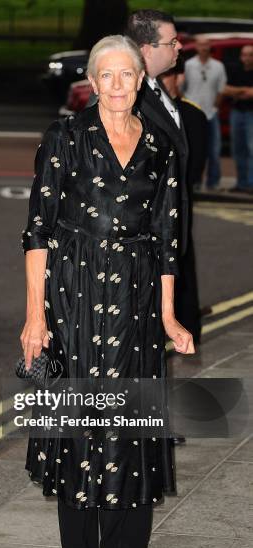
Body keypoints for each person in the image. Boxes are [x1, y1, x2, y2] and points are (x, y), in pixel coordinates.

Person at [20, 35, 194, 548]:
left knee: (131, 414)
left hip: (138, 295)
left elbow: (168, 238)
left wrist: (168, 316)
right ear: (92, 84)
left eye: (128, 75)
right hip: (73, 289)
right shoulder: (64, 138)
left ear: (142, 80)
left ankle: (127, 542)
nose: (118, 86)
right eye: (107, 76)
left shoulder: (160, 147)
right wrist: (34, 316)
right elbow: (37, 234)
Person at [126, 9, 189, 447]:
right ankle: (140, 427)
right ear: (147, 49)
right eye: (172, 41)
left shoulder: (156, 91)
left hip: (164, 236)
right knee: (139, 334)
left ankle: (150, 423)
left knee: (153, 333)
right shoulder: (132, 99)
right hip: (143, 242)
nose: (178, 47)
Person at [160, 56, 208, 344]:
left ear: (178, 78)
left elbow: (194, 166)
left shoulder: (192, 114)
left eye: (167, 77)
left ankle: (188, 324)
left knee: (181, 262)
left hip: (179, 201)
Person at [182, 35, 227, 190]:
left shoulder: (218, 66)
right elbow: (182, 89)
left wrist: (215, 107)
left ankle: (213, 182)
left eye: (207, 44)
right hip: (193, 116)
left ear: (210, 47)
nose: (204, 47)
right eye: (201, 44)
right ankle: (195, 181)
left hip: (211, 113)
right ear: (196, 46)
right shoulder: (188, 65)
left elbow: (221, 90)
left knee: (214, 150)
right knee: (194, 149)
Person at [223, 45, 253, 193]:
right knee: (238, 150)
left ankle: (251, 183)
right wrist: (243, 91)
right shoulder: (235, 70)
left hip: (251, 114)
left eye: (250, 55)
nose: (247, 58)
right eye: (244, 55)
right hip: (236, 113)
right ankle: (241, 183)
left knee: (251, 149)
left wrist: (237, 92)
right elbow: (225, 89)